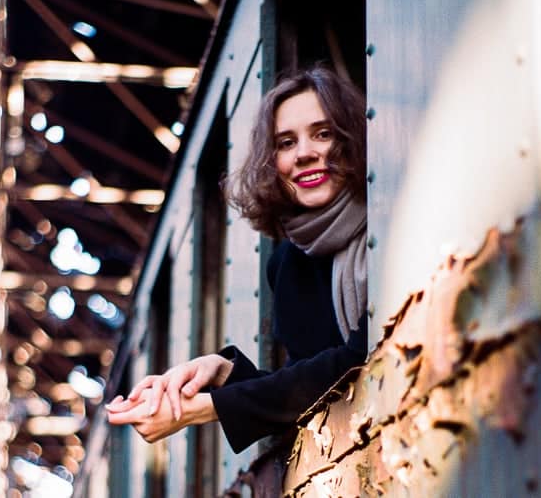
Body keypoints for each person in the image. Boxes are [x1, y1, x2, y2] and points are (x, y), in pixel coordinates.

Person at [106, 66, 368, 454]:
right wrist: (221, 372)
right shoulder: (288, 264)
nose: (305, 154)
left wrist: (204, 409)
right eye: (285, 143)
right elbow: (310, 390)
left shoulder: (386, 224)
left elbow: (361, 358)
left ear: (352, 138)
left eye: (323, 133)